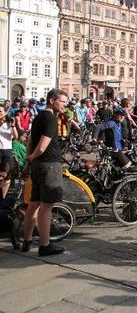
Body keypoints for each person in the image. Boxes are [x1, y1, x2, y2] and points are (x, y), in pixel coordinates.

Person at [21, 89, 69, 256]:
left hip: (38, 166)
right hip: (49, 165)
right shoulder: (50, 118)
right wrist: (33, 156)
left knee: (33, 204)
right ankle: (44, 245)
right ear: (51, 100)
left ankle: (26, 241)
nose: (65, 105)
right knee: (47, 206)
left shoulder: (39, 117)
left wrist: (29, 161)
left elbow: (31, 141)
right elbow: (41, 146)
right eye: (62, 101)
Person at [0, 107, 18, 198]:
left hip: (6, 151)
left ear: (4, 112)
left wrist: (13, 125)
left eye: (1, 111)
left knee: (6, 176)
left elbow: (16, 136)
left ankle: (3, 197)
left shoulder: (9, 124)